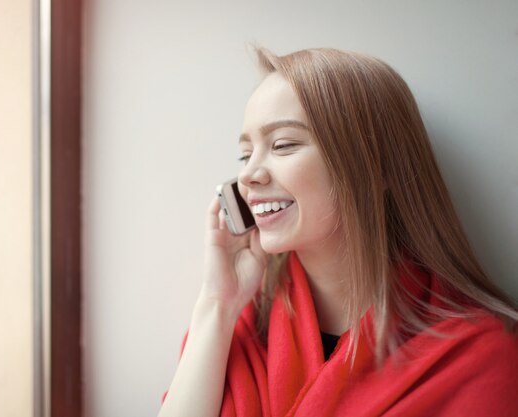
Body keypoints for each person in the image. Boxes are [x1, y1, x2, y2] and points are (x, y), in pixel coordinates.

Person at [158, 48, 518, 417]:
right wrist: (217, 303)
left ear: (378, 167)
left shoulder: (479, 353)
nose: (249, 175)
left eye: (283, 145)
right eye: (245, 154)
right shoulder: (234, 326)